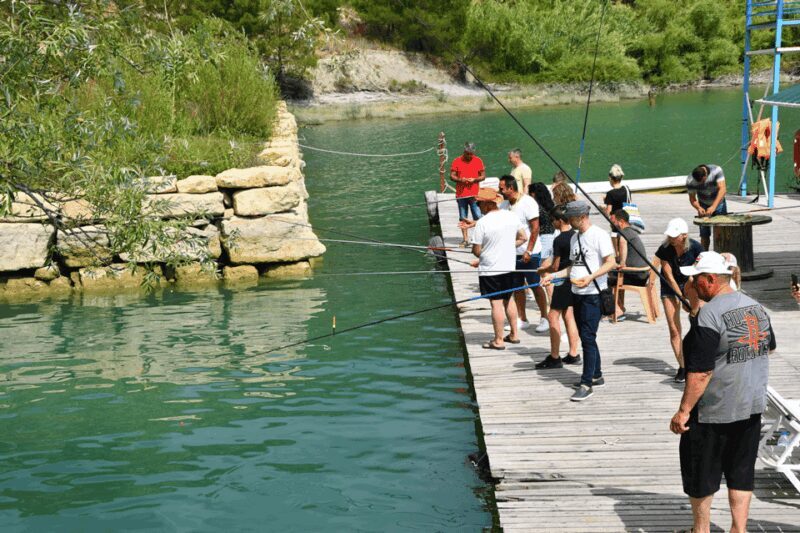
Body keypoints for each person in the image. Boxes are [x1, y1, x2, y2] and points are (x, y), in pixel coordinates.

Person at [669, 251, 776, 533]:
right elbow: (770, 346)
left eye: (694, 280)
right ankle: (738, 529)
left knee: (701, 474)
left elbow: (701, 372)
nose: (690, 285)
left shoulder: (710, 316)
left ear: (710, 279)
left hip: (713, 410)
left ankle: (700, 530)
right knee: (742, 473)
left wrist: (684, 411)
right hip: (750, 405)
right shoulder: (756, 306)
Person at [542, 201, 615, 402]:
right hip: (577, 293)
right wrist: (553, 275)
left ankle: (586, 383)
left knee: (588, 338)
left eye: (571, 218)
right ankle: (597, 375)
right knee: (586, 336)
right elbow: (572, 268)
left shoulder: (599, 235)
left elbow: (611, 262)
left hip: (593, 294)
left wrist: (590, 278)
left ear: (581, 217)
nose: (568, 221)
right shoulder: (575, 238)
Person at [461, 187, 527, 350]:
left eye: (480, 203)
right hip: (509, 267)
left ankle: (498, 340)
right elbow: (523, 238)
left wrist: (486, 253)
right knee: (508, 299)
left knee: (496, 304)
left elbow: (476, 251)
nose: (478, 207)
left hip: (491, 270)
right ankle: (514, 335)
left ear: (487, 204)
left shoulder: (483, 223)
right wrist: (507, 247)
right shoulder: (511, 216)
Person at [497, 176, 548, 333]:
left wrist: (529, 250)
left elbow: (535, 228)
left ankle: (544, 318)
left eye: (502, 188)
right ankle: (522, 318)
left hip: (530, 253)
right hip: (512, 253)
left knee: (535, 285)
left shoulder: (528, 202)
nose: (500, 191)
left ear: (511, 188)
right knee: (517, 287)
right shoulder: (504, 205)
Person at [656, 218, 704, 383]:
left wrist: (690, 297)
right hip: (670, 286)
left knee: (697, 320)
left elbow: (699, 273)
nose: (670, 238)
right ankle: (682, 366)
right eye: (669, 235)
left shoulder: (696, 248)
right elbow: (668, 275)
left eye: (674, 235)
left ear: (684, 236)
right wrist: (681, 297)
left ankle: (696, 360)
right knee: (674, 329)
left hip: (690, 281)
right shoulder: (664, 249)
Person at [535, 205, 581, 369]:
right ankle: (574, 354)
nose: (552, 223)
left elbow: (555, 267)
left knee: (553, 316)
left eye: (553, 220)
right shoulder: (576, 236)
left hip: (562, 282)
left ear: (560, 221)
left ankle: (554, 357)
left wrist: (543, 270)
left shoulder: (559, 239)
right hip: (574, 280)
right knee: (569, 316)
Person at [608, 209, 649, 321]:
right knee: (615, 275)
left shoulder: (624, 234)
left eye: (613, 221)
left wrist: (621, 263)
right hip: (643, 274)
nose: (611, 224)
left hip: (636, 276)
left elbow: (622, 244)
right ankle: (620, 306)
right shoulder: (632, 231)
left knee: (607, 280)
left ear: (621, 221)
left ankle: (618, 310)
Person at [450, 142, 486, 247]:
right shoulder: (457, 161)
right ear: (464, 152)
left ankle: (480, 239)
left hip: (475, 195)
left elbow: (483, 176)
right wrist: (461, 180)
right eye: (467, 154)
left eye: (471, 154)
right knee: (463, 217)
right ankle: (465, 239)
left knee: (478, 217)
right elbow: (452, 176)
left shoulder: (478, 160)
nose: (469, 156)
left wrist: (474, 179)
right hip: (461, 195)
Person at [687, 164, 727, 250]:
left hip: (719, 204)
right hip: (703, 204)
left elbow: (723, 189)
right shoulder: (690, 179)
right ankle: (704, 255)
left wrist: (713, 206)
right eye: (698, 183)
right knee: (704, 235)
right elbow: (692, 198)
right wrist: (698, 208)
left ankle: (721, 255)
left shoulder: (716, 170)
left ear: (706, 175)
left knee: (720, 233)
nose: (701, 184)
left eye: (702, 181)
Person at [603, 164, 629, 256]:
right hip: (626, 218)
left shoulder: (610, 193)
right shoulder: (626, 189)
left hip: (616, 221)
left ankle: (617, 254)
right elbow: (628, 203)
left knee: (614, 235)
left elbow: (609, 212)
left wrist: (603, 207)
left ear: (611, 178)